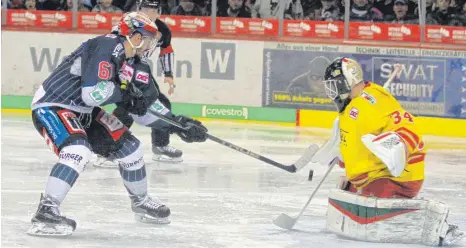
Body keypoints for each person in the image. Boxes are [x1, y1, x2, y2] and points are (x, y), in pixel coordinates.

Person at [27, 12, 207, 236]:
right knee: (77, 150)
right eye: (149, 39)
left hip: (85, 111)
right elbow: (93, 93)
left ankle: (140, 202)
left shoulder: (138, 66)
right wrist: (125, 94)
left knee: (131, 149)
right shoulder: (106, 45)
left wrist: (176, 124)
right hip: (54, 104)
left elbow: (145, 109)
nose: (150, 45)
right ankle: (46, 211)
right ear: (135, 36)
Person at [313, 57, 464, 246]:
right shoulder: (353, 105)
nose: (332, 91)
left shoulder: (373, 101)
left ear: (348, 81)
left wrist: (397, 146)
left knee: (373, 202)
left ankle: (441, 229)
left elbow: (408, 128)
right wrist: (343, 158)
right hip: (373, 176)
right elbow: (355, 139)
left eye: (335, 85)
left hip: (394, 178)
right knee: (346, 189)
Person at [95, 0, 183, 168]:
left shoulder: (162, 30)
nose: (149, 12)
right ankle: (106, 149)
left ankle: (160, 144)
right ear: (138, 9)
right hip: (124, 67)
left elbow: (166, 50)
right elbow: (114, 44)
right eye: (145, 8)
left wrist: (169, 74)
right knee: (126, 109)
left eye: (153, 9)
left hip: (140, 70)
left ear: (159, 12)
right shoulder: (129, 22)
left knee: (161, 103)